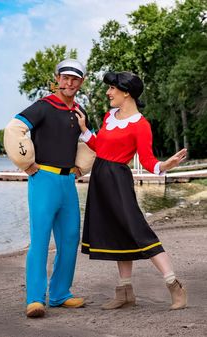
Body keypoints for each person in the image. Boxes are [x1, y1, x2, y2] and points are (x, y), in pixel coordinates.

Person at [75, 71, 187, 311]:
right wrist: (85, 130)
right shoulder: (109, 116)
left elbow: (146, 159)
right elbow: (101, 147)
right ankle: (125, 292)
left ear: (126, 92)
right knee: (118, 234)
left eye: (112, 89)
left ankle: (174, 286)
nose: (108, 93)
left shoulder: (141, 125)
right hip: (100, 180)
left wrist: (164, 166)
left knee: (138, 230)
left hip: (117, 181)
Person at [4, 58, 93, 318]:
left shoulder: (79, 112)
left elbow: (88, 141)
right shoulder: (43, 106)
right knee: (40, 239)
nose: (69, 82)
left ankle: (59, 294)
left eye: (74, 78)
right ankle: (34, 299)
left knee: (69, 239)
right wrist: (26, 164)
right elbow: (14, 129)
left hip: (68, 182)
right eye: (65, 77)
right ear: (57, 78)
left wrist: (80, 168)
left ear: (81, 82)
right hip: (43, 179)